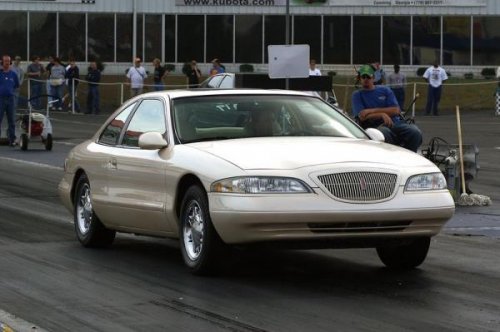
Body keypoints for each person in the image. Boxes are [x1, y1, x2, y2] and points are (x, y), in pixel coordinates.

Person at [351, 64, 422, 153]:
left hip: (395, 123)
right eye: (363, 77)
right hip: (375, 127)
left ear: (373, 78)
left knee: (414, 132)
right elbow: (362, 116)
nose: (366, 79)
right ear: (359, 78)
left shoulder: (385, 90)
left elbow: (396, 110)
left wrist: (371, 111)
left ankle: (410, 156)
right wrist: (382, 114)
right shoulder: (357, 95)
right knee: (384, 133)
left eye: (368, 77)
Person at [0, 55, 20, 146]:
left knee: (11, 120)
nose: (7, 63)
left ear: (10, 62)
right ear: (2, 62)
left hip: (10, 99)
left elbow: (16, 85)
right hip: (1, 99)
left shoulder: (13, 74)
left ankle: (12, 139)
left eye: (8, 61)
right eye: (5, 61)